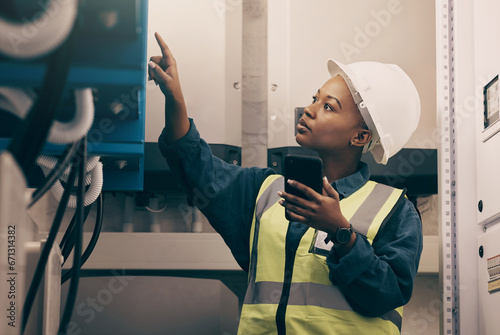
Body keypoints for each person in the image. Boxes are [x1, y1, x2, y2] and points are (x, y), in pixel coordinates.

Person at [148, 32, 423, 335]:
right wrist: (175, 97)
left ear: (359, 137)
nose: (309, 109)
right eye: (314, 99)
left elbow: (387, 293)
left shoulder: (396, 210)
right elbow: (195, 166)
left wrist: (340, 233)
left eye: (329, 107)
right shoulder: (263, 191)